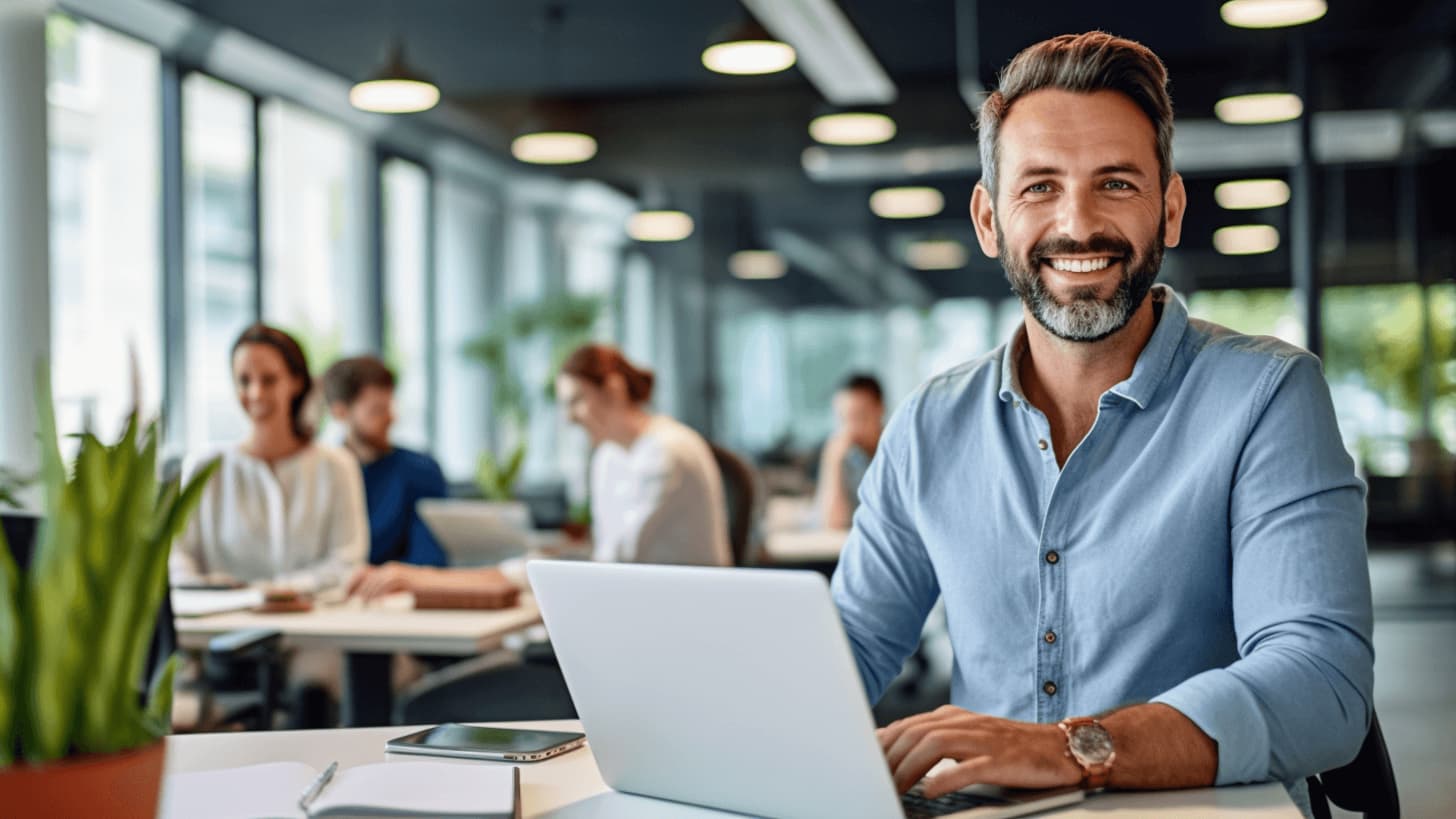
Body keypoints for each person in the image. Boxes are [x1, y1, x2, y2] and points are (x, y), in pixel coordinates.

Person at [831, 31, 1373, 809]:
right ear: (989, 221)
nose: (1077, 223)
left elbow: (1322, 684)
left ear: (1171, 207)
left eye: (1116, 183)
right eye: (1039, 186)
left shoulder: (1268, 396)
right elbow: (850, 641)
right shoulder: (929, 425)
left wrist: (1069, 749)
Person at [349, 343, 731, 603]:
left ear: (613, 388)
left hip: (677, 619)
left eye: (576, 401)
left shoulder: (666, 453)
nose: (568, 417)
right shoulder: (609, 457)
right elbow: (606, 557)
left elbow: (613, 565)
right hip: (631, 609)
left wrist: (503, 575)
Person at [169, 324, 368, 592]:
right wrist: (208, 587)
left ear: (297, 382)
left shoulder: (337, 466)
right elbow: (177, 557)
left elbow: (347, 562)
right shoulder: (205, 467)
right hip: (219, 625)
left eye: (269, 380)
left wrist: (277, 592)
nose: (255, 393)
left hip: (316, 624)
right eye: (244, 380)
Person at [322, 355, 449, 568]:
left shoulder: (421, 471)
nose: (391, 418)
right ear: (340, 412)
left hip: (403, 594)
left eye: (389, 406)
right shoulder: (322, 474)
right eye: (376, 410)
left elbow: (430, 557)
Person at [815, 373, 885, 529]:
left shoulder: (896, 453)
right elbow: (832, 523)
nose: (851, 428)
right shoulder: (844, 456)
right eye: (843, 419)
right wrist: (832, 463)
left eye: (859, 417)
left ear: (880, 409)